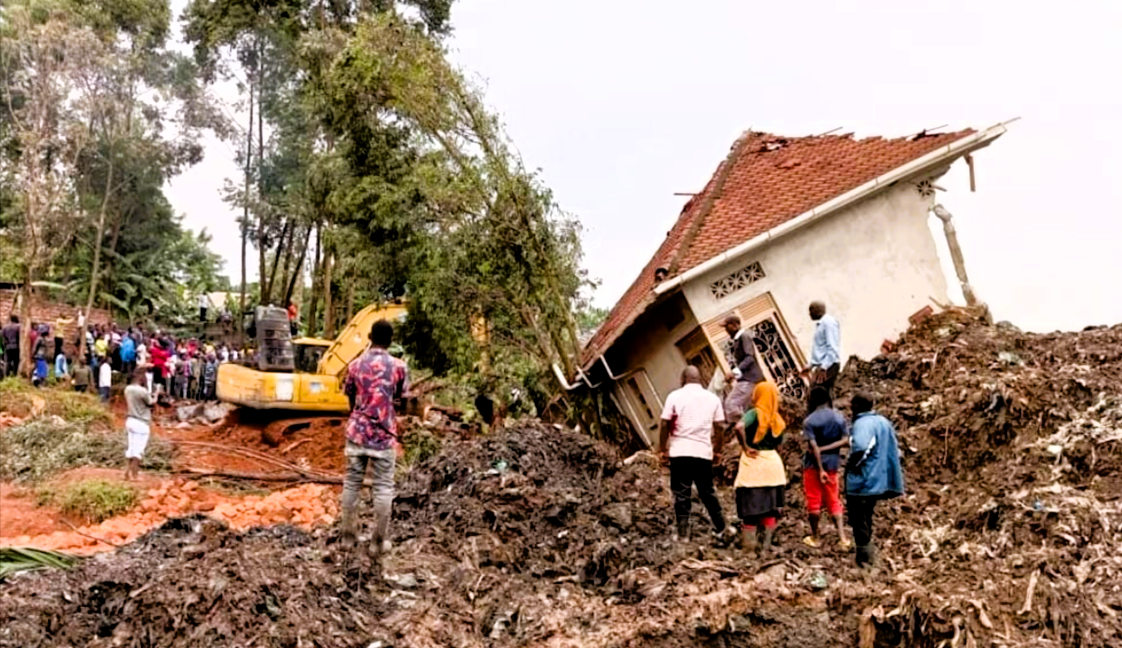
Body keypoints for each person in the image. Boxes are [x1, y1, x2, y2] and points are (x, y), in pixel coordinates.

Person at [339, 319, 409, 556]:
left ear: (369, 337)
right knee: (383, 489)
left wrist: (357, 416)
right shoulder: (399, 367)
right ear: (390, 341)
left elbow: (349, 394)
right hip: (384, 436)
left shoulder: (355, 365)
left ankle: (347, 539)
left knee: (352, 484)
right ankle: (377, 544)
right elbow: (401, 399)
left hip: (357, 433)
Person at [659, 365, 733, 544]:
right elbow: (720, 427)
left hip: (680, 451)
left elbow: (664, 423)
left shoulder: (674, 396)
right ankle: (722, 527)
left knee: (681, 492)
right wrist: (718, 450)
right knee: (707, 491)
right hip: (702, 452)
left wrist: (662, 448)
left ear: (683, 379)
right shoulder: (712, 399)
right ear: (699, 379)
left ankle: (684, 534)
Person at [843, 391, 905, 568]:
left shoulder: (863, 423)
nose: (850, 409)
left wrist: (852, 466)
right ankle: (867, 553)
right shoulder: (883, 422)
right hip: (879, 479)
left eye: (852, 405)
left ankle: (865, 559)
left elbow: (861, 447)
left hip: (863, 480)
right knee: (867, 516)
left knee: (858, 518)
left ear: (858, 406)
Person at [732, 381, 787, 556]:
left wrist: (745, 446)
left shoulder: (755, 413)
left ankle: (749, 550)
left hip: (754, 465)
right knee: (770, 509)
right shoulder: (778, 420)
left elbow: (739, 427)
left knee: (750, 511)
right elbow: (779, 446)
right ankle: (765, 548)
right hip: (772, 466)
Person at [800, 386, 850, 549]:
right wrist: (828, 449)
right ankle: (842, 538)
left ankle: (816, 537)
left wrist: (820, 466)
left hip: (813, 466)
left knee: (813, 500)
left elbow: (814, 447)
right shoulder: (838, 417)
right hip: (833, 463)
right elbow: (845, 440)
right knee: (833, 499)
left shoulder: (810, 421)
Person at [721, 314, 765, 432]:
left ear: (735, 325)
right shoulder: (738, 340)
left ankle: (744, 427)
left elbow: (750, 358)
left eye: (727, 326)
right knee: (745, 407)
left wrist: (734, 372)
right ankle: (751, 427)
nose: (726, 330)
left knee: (731, 404)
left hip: (750, 379)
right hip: (748, 378)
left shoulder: (744, 337)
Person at [802, 301, 841, 402]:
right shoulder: (822, 324)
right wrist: (810, 365)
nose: (809, 314)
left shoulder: (828, 323)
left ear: (816, 310)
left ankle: (830, 416)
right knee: (821, 396)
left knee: (817, 396)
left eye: (810, 311)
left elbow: (832, 347)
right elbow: (821, 349)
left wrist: (824, 367)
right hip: (824, 365)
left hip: (828, 365)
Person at [123, 369, 156, 481]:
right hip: (141, 422)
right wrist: (156, 394)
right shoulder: (142, 391)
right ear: (141, 378)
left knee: (131, 448)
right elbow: (151, 403)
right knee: (138, 450)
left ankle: (127, 473)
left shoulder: (127, 389)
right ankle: (134, 475)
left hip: (130, 419)